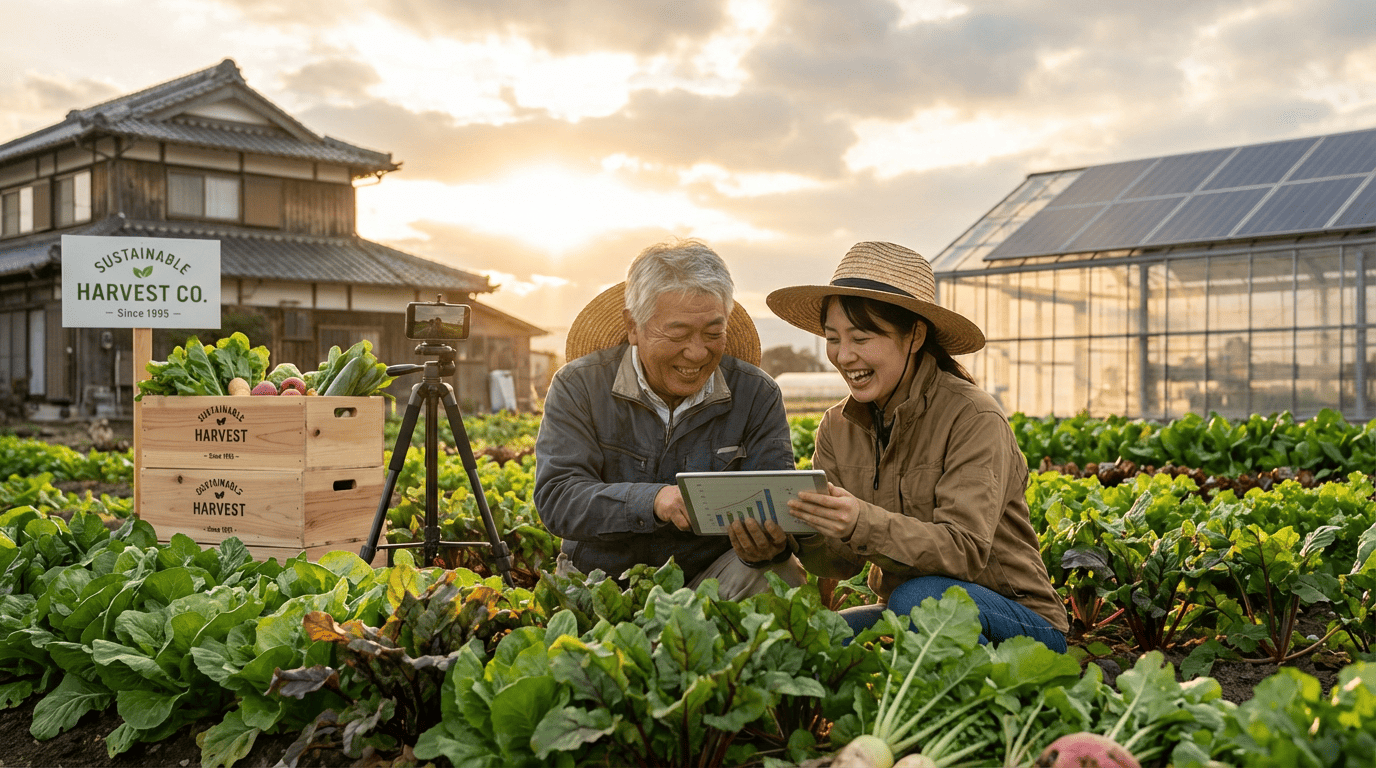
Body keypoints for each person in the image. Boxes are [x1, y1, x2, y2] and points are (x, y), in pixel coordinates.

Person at [757, 241, 1068, 650]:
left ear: (915, 335)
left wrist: (859, 521)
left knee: (917, 598)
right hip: (911, 611)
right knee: (818, 640)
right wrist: (795, 536)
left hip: (1016, 617)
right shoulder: (836, 426)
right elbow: (841, 562)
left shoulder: (973, 416)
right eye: (833, 338)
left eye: (862, 338)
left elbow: (965, 552)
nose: (844, 355)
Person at [534, 239, 806, 599]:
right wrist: (655, 500)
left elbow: (776, 499)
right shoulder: (578, 386)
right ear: (634, 326)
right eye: (677, 334)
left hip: (709, 581)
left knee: (780, 573)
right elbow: (558, 497)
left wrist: (770, 544)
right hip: (601, 584)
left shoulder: (757, 394)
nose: (696, 352)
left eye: (713, 333)